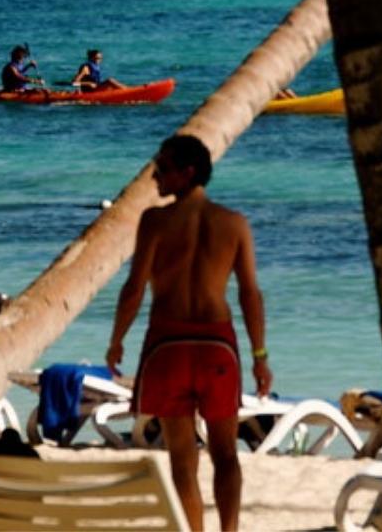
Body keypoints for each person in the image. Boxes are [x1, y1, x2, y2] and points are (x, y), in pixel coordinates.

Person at [106, 135, 270, 532]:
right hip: (217, 348)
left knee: (182, 457)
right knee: (226, 453)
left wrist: (116, 340)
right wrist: (260, 356)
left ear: (188, 172)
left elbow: (134, 289)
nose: (155, 176)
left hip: (168, 347)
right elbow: (250, 294)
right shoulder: (234, 224)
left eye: (162, 168)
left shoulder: (155, 221)